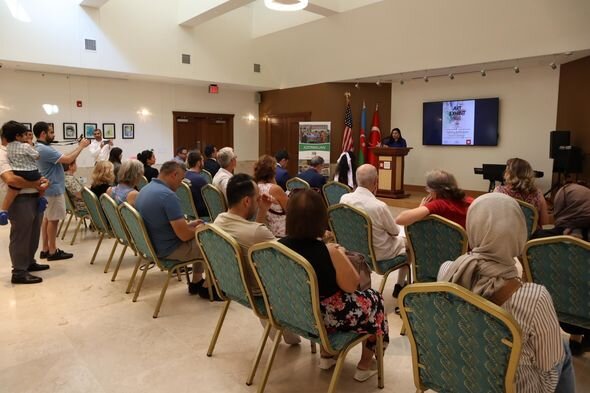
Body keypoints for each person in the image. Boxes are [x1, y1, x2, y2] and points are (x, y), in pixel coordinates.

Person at [438, 193, 574, 393]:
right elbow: (549, 362)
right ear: (519, 232)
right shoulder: (535, 297)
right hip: (514, 387)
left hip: (459, 378)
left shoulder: (448, 272)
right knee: (563, 349)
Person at [279, 189, 389, 382]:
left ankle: (326, 356)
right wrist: (340, 254)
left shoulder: (278, 247)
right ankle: (365, 364)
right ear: (321, 218)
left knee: (322, 297)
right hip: (327, 318)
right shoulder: (328, 251)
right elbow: (352, 286)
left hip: (295, 312)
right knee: (375, 299)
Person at [213, 173, 300, 344]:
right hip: (261, 291)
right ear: (247, 201)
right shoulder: (257, 233)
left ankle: (282, 332)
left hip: (234, 286)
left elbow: (254, 233)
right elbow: (288, 258)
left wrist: (263, 210)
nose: (260, 198)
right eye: (257, 196)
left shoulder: (219, 221)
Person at [135, 161, 217, 299]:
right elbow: (184, 236)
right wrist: (199, 229)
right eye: (180, 179)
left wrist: (190, 225)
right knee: (213, 242)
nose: (180, 184)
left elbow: (164, 224)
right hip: (170, 249)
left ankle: (196, 281)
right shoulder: (168, 196)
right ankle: (208, 288)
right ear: (174, 174)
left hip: (153, 246)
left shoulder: (145, 190)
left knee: (200, 236)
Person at [340, 164, 407, 296]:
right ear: (376, 182)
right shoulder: (379, 206)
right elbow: (395, 232)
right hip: (377, 255)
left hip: (351, 250)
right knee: (409, 244)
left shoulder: (344, 199)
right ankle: (400, 285)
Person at [1, 121, 49, 284]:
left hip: (34, 197)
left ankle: (29, 262)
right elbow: (12, 180)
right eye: (25, 135)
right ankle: (19, 271)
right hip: (20, 200)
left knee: (33, 234)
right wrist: (35, 184)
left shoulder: (18, 150)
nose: (27, 138)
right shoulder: (2, 153)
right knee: (21, 236)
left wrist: (41, 183)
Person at [35, 121, 90, 261]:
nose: (53, 135)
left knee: (48, 219)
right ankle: (53, 251)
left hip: (50, 189)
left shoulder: (42, 147)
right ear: (43, 133)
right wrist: (82, 147)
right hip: (53, 189)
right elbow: (68, 160)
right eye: (51, 132)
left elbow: (65, 157)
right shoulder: (44, 149)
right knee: (53, 221)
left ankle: (46, 249)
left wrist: (78, 147)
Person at [0, 122, 47, 225]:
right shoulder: (25, 146)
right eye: (25, 134)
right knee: (42, 182)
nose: (27, 137)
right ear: (17, 136)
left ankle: (3, 210)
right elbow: (37, 156)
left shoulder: (8, 148)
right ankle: (42, 198)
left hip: (17, 172)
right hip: (30, 173)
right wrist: (31, 147)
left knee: (12, 191)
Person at [396, 169, 473, 229]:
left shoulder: (438, 204)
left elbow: (400, 219)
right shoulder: (471, 201)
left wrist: (420, 207)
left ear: (433, 190)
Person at [494, 158, 550, 229]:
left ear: (509, 174)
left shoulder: (499, 192)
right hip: (532, 238)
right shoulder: (538, 194)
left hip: (506, 237)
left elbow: (494, 219)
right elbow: (545, 223)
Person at [253, 155, 288, 237]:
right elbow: (291, 211)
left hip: (264, 231)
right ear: (273, 171)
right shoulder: (275, 189)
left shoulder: (254, 187)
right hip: (281, 233)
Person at [184, 150, 208, 218]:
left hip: (188, 213)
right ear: (198, 163)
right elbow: (208, 200)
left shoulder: (184, 176)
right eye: (202, 160)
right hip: (201, 213)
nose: (203, 163)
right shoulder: (199, 179)